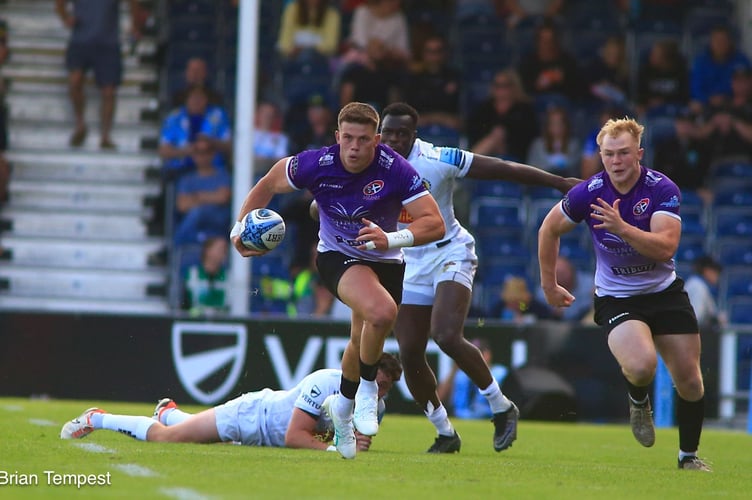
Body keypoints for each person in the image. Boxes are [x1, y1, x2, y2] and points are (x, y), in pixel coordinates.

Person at [229, 102, 446, 459]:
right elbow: (268, 182)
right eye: (348, 138)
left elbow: (433, 223)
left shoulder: (395, 168)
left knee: (360, 336)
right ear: (337, 137)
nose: (355, 147)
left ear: (377, 140)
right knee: (380, 313)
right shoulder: (316, 163)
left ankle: (342, 410)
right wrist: (239, 229)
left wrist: (391, 239)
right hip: (337, 256)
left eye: (363, 139)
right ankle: (364, 393)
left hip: (388, 258)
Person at [378, 102, 578, 453]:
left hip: (449, 251)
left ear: (415, 135)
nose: (394, 140)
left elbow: (500, 168)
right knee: (409, 351)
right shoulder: (370, 164)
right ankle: (444, 433)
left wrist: (559, 182)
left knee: (445, 335)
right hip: (408, 260)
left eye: (402, 133)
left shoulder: (439, 159)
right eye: (389, 132)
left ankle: (501, 407)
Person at [537, 117, 711, 471]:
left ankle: (688, 457)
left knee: (691, 381)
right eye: (609, 154)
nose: (616, 161)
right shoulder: (589, 191)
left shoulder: (662, 189)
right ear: (601, 156)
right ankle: (638, 398)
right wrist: (549, 284)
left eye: (624, 153)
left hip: (664, 292)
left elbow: (665, 248)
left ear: (639, 155)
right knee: (641, 365)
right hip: (617, 297)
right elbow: (549, 229)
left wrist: (623, 228)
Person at [61, 353, 402, 453]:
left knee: (194, 432)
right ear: (366, 374)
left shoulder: (376, 406)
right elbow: (295, 436)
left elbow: (345, 439)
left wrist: (357, 442)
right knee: (169, 440)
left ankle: (168, 412)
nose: (381, 394)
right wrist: (337, 449)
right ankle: (97, 418)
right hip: (251, 417)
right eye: (380, 385)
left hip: (257, 436)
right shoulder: (326, 383)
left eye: (387, 390)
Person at [54, 0, 142, 149]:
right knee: (75, 81)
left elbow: (133, 2)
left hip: (108, 43)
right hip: (80, 39)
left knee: (109, 91)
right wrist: (65, 17)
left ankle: (105, 136)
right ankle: (80, 124)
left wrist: (135, 25)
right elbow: (59, 3)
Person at [159, 85, 233, 181]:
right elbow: (164, 150)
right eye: (193, 97)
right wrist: (187, 151)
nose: (197, 101)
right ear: (186, 99)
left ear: (207, 99)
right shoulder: (174, 117)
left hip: (214, 168)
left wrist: (210, 142)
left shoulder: (218, 115)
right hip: (180, 169)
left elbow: (229, 146)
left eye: (200, 97)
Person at [466, 68, 539, 162]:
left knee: (499, 133)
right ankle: (472, 164)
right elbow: (473, 131)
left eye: (505, 86)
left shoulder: (524, 109)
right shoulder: (484, 108)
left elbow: (528, 136)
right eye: (497, 85)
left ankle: (470, 165)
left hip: (516, 155)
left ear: (514, 87)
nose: (500, 90)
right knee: (496, 135)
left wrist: (503, 140)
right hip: (487, 152)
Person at [172, 136, 232, 247]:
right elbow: (182, 205)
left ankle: (175, 246)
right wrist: (211, 197)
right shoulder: (187, 179)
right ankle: (178, 247)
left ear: (213, 154)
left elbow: (223, 197)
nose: (202, 156)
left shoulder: (222, 175)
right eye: (198, 152)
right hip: (195, 223)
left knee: (197, 212)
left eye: (206, 152)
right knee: (196, 213)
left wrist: (197, 197)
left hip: (218, 218)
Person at [688, 25, 752, 116]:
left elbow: (747, 85)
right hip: (708, 101)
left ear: (730, 41)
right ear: (711, 42)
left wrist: (726, 98)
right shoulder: (700, 61)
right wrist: (709, 99)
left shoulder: (741, 60)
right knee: (694, 106)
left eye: (723, 40)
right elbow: (695, 88)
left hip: (733, 100)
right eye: (717, 40)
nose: (720, 44)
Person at [452, 338, 508, 419]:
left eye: (479, 353)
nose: (474, 358)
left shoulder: (500, 373)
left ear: (488, 354)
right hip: (467, 417)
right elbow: (459, 407)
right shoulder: (462, 376)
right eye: (470, 354)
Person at [526, 105, 581, 177]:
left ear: (566, 125)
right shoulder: (537, 144)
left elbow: (575, 168)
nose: (557, 126)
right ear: (547, 125)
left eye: (560, 123)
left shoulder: (574, 144)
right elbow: (531, 167)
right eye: (553, 123)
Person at [182, 236, 229, 315]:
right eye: (220, 249)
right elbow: (185, 303)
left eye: (224, 250)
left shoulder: (227, 277)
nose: (223, 253)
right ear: (208, 251)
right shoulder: (192, 274)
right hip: (194, 322)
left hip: (220, 323)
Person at [683, 255, 724, 334]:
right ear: (707, 271)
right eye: (715, 272)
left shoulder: (697, 283)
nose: (717, 276)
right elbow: (695, 318)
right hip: (688, 333)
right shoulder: (698, 286)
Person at [489, 275, 555, 323]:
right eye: (512, 302)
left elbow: (548, 322)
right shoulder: (498, 308)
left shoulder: (536, 308)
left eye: (517, 302)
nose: (514, 306)